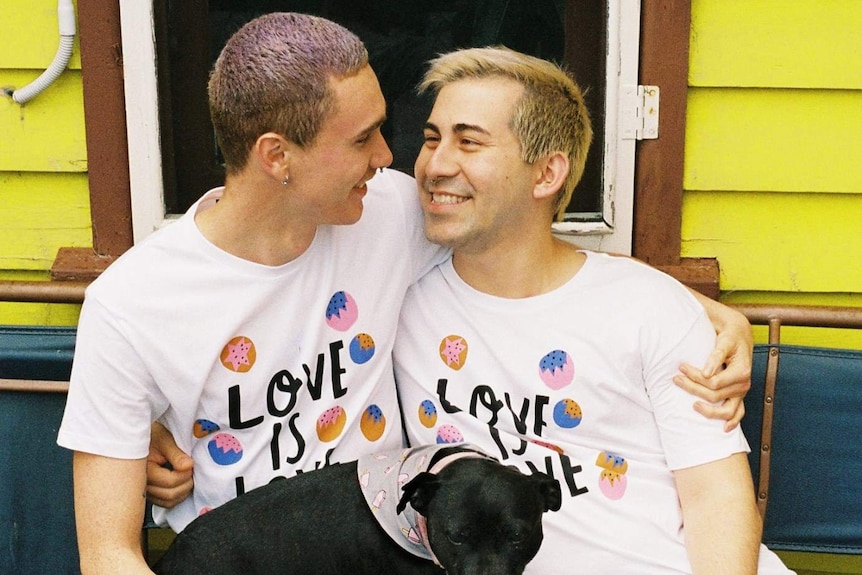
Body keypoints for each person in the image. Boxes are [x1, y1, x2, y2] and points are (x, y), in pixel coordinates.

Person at [57, 13, 750, 575]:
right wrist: (140, 425)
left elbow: (523, 240)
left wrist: (702, 314)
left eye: (391, 130)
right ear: (277, 157)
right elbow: (109, 552)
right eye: (365, 138)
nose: (394, 158)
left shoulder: (385, 213)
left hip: (390, 548)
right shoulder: (133, 304)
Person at [392, 47, 793, 573]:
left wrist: (710, 312)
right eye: (430, 138)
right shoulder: (402, 290)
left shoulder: (647, 306)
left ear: (546, 174)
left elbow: (715, 498)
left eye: (469, 142)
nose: (435, 165)